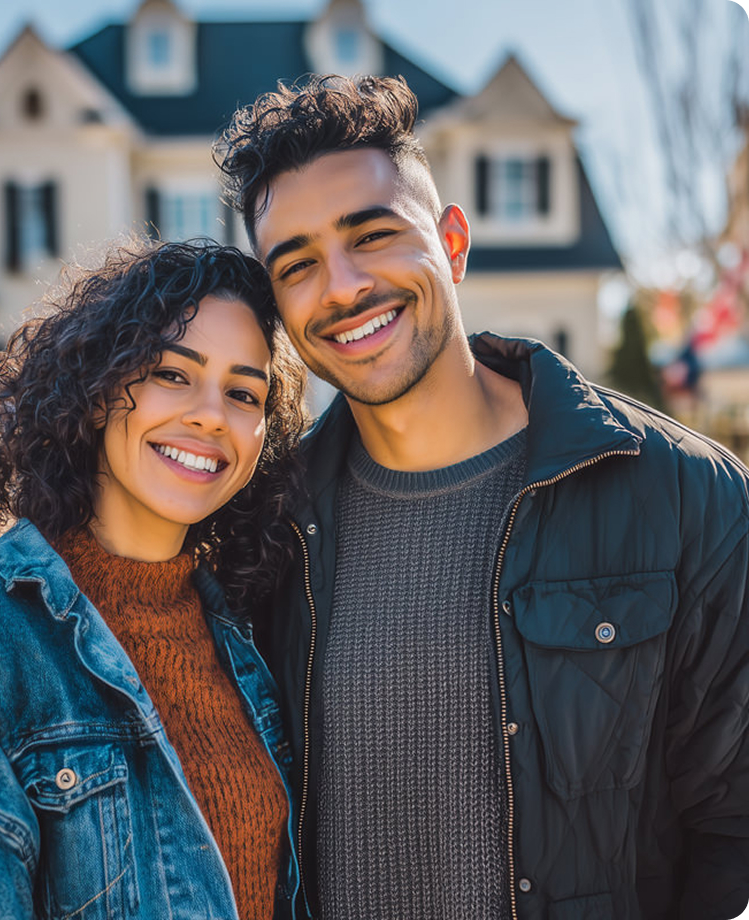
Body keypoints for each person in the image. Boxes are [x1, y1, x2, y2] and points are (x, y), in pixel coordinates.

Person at [214, 75, 749, 919]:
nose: (344, 286)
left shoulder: (686, 496)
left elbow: (732, 834)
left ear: (452, 242)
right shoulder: (264, 532)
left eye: (374, 234)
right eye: (299, 264)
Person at [0, 240, 308, 919]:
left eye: (244, 392)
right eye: (173, 375)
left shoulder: (247, 629)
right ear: (96, 394)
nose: (213, 414)